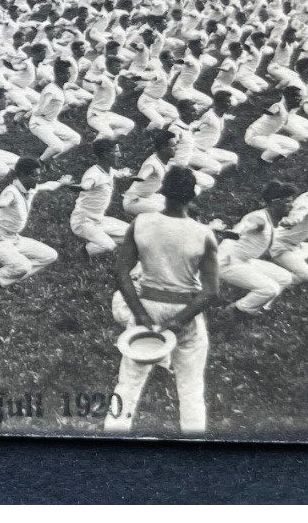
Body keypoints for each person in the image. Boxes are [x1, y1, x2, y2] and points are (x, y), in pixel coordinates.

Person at [104, 166, 218, 435]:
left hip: (148, 305)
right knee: (191, 389)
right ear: (192, 197)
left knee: (128, 384)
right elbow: (211, 292)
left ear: (163, 193)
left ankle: (111, 440)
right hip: (185, 310)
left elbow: (121, 275)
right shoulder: (204, 234)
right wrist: (178, 321)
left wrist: (140, 315)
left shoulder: (141, 223)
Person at [0, 156, 69, 289]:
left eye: (39, 175)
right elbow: (5, 201)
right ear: (22, 175)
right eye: (34, 175)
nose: (38, 179)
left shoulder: (30, 187)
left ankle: (10, 278)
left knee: (50, 255)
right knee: (24, 266)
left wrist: (61, 182)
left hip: (15, 239)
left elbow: (48, 186)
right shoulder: (11, 191)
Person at [216, 182, 298, 315]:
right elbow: (248, 225)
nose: (292, 205)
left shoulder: (273, 218)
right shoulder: (259, 218)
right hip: (227, 262)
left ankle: (255, 307)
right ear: (276, 203)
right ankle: (235, 310)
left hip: (246, 261)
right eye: (288, 202)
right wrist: (236, 232)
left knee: (285, 278)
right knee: (271, 289)